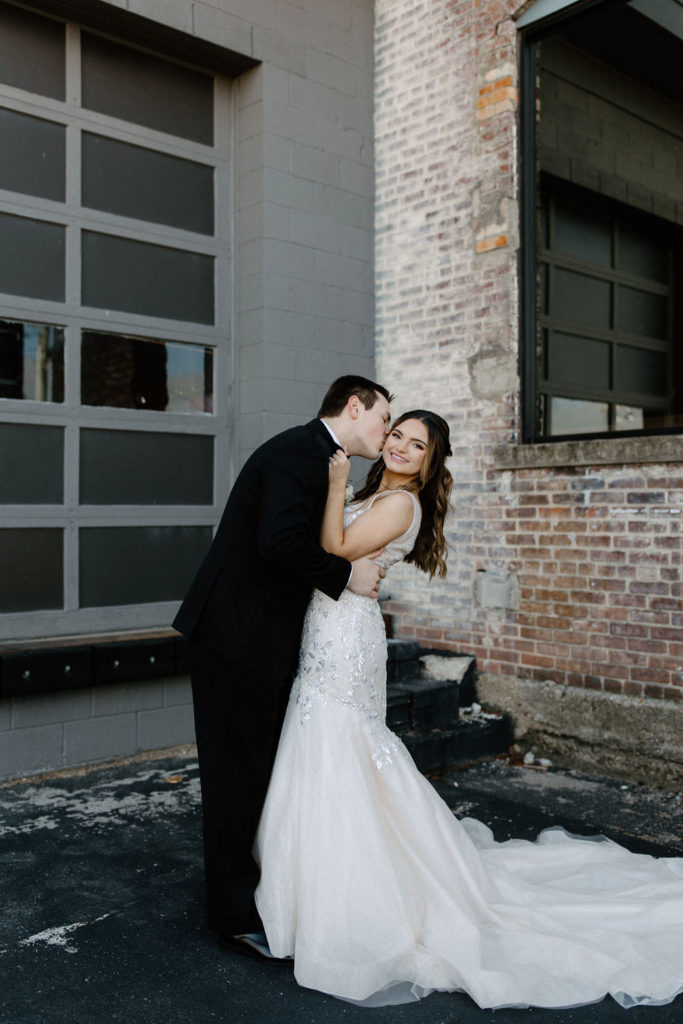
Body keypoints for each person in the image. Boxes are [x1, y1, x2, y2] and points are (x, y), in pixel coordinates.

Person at [254, 409, 683, 1010]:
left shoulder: (401, 504)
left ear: (431, 461)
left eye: (416, 444)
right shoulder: (376, 490)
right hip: (326, 627)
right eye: (397, 434)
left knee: (340, 739)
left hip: (347, 637)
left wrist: (331, 488)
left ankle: (353, 891)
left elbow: (337, 546)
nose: (401, 446)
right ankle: (311, 882)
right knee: (325, 736)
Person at [172, 375, 393, 952]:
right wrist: (348, 576)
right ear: (353, 405)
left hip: (255, 638)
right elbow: (279, 543)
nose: (387, 431)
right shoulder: (299, 453)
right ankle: (234, 916)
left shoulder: (322, 455)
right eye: (383, 417)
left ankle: (254, 892)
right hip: (234, 637)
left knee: (253, 771)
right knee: (234, 776)